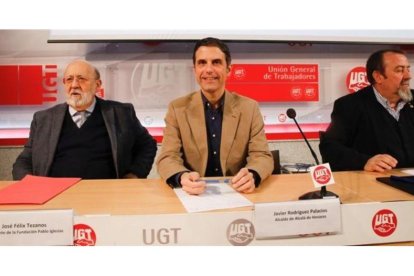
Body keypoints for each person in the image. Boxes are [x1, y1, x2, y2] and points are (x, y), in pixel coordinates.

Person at [156, 37, 273, 195]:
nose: (208, 69)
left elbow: (262, 155)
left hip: (237, 193)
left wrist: (253, 174)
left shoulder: (249, 108)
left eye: (216, 62)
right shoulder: (177, 108)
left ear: (228, 69)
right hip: (193, 195)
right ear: (195, 70)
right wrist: (181, 177)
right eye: (202, 63)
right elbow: (168, 157)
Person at [12, 59, 157, 180]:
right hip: (54, 196)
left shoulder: (121, 113)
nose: (74, 85)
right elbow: (24, 160)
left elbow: (148, 145)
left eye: (81, 79)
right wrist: (30, 183)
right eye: (69, 79)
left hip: (109, 195)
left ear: (97, 85)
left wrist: (135, 174)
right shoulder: (44, 119)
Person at [319, 49, 414, 172]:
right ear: (378, 76)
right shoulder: (350, 105)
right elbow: (330, 148)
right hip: (377, 182)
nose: (408, 76)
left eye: (408, 69)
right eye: (400, 70)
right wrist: (364, 161)